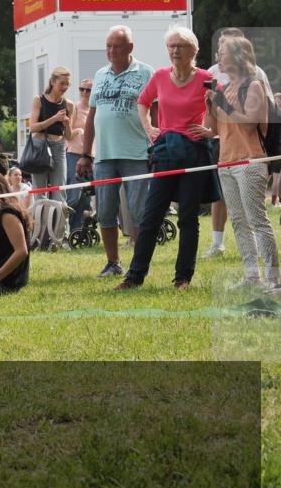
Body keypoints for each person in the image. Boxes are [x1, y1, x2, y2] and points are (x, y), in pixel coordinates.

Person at [115, 27, 221, 291]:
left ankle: (183, 278)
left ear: (193, 51)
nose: (175, 51)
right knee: (151, 216)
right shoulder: (160, 76)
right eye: (171, 46)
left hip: (194, 152)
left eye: (181, 46)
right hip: (165, 152)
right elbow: (143, 102)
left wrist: (211, 130)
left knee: (187, 217)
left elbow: (222, 111)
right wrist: (148, 128)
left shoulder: (207, 78)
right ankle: (134, 276)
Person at [77, 26, 155, 279]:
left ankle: (139, 264)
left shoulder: (145, 73)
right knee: (106, 212)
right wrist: (85, 154)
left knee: (140, 211)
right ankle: (113, 263)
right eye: (108, 46)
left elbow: (156, 110)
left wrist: (156, 142)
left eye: (117, 46)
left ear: (130, 48)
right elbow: (91, 117)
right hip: (104, 156)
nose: (111, 51)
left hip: (136, 154)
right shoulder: (100, 74)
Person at [205, 35, 279, 287]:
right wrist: (210, 106)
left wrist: (222, 103)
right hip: (225, 162)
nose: (218, 58)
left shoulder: (254, 85)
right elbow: (213, 129)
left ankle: (273, 279)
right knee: (238, 221)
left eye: (222, 53)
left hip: (250, 162)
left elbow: (248, 124)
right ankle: (252, 276)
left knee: (257, 220)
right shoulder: (225, 90)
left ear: (237, 56)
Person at [28, 67, 75, 231]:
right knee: (39, 192)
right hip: (40, 145)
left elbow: (69, 136)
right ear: (52, 82)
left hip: (59, 146)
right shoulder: (39, 100)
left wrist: (67, 124)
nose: (65, 87)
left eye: (67, 84)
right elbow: (33, 127)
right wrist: (54, 118)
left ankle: (61, 233)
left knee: (59, 190)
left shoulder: (69, 105)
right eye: (62, 83)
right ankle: (40, 233)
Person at [65, 79, 94, 233]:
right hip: (74, 155)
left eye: (88, 90)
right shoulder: (74, 108)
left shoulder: (95, 109)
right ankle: (64, 230)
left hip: (91, 156)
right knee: (73, 196)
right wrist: (79, 131)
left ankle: (77, 231)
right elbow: (67, 134)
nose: (84, 92)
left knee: (85, 198)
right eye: (81, 89)